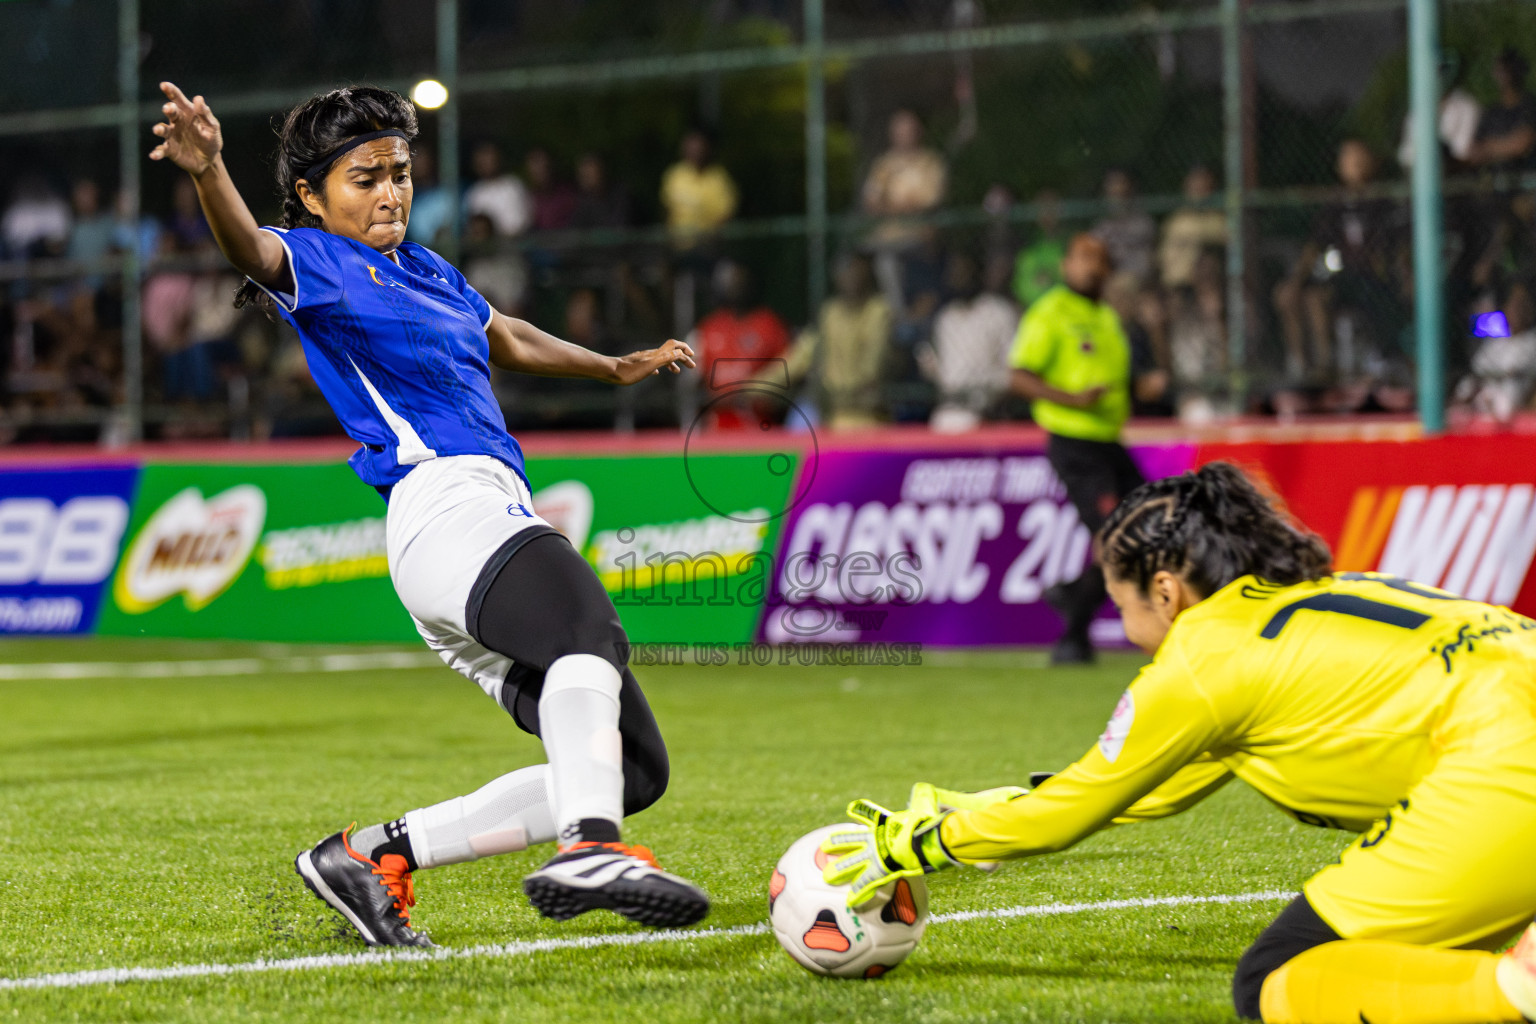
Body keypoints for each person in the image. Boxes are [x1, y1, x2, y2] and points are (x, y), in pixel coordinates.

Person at [148, 80, 706, 947]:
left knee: (629, 764)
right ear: (310, 196)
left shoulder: (428, 269)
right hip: (443, 505)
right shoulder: (317, 260)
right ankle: (591, 848)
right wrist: (210, 169)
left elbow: (505, 335)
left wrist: (612, 368)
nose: (389, 192)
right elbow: (250, 253)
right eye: (365, 177)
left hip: (467, 527)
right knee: (586, 629)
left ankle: (371, 855)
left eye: (399, 172)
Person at [822, 461, 1536, 1024]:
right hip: (1507, 725)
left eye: (1121, 604)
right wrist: (977, 812)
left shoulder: (1198, 660)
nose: (1128, 630)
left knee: (1279, 977)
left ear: (1164, 592)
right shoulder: (1320, 596)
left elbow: (1073, 814)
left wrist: (915, 847)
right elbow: (1140, 791)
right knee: (1410, 968)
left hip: (1506, 769)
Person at [1008, 233, 1141, 664]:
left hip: (1109, 439)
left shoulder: (1105, 316)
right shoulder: (1051, 312)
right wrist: (1072, 400)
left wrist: (1141, 387)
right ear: (1066, 266)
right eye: (1083, 259)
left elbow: (1110, 378)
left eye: (1099, 260)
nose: (1091, 267)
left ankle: (1072, 599)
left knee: (1145, 524)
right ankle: (1073, 632)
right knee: (1115, 535)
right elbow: (1020, 375)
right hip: (1074, 440)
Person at [1272, 140, 1404, 381]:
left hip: (1372, 278)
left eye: (1358, 158)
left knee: (1322, 297)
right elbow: (1315, 245)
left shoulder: (1383, 202)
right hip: (1342, 277)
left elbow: (1394, 250)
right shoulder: (1335, 205)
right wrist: (1296, 280)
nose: (1352, 165)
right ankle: (1304, 367)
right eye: (1347, 159)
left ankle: (1365, 362)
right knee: (1293, 295)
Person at [780, 252, 894, 430]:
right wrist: (752, 386)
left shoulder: (879, 311)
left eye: (856, 268)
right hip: (833, 415)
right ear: (836, 276)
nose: (851, 275)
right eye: (845, 270)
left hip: (869, 416)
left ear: (867, 272)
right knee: (800, 420)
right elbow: (798, 359)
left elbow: (871, 366)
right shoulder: (829, 313)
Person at [861, 109, 948, 314]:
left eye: (909, 130)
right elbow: (870, 202)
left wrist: (890, 207)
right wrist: (901, 208)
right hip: (886, 235)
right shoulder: (884, 165)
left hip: (920, 235)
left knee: (887, 261)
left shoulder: (931, 163)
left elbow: (929, 202)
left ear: (919, 131)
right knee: (854, 256)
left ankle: (899, 317)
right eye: (899, 131)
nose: (904, 135)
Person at [687, 259, 791, 430]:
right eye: (730, 280)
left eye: (740, 279)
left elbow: (787, 379)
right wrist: (716, 398)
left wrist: (752, 395)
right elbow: (690, 386)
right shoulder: (708, 328)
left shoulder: (770, 325)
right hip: (716, 429)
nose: (735, 285)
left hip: (761, 426)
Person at [927, 251, 1018, 433]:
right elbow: (942, 371)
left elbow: (1013, 368)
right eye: (954, 273)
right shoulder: (946, 318)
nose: (958, 277)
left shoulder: (999, 311)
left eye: (964, 271)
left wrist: (986, 394)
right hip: (949, 412)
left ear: (977, 274)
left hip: (988, 412)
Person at [660, 128, 737, 255]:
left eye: (699, 148)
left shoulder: (719, 178)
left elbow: (726, 214)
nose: (696, 152)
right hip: (677, 248)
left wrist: (707, 238)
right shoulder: (674, 175)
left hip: (709, 248)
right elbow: (667, 210)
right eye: (692, 147)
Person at [1157, 165, 1226, 291]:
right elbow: (1162, 256)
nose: (1198, 189)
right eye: (1194, 184)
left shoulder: (1218, 220)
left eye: (1203, 185)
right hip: (1172, 282)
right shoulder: (1177, 219)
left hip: (1200, 283)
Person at [464, 140, 532, 239]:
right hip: (484, 251)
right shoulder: (474, 193)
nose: (485, 161)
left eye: (488, 156)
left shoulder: (513, 185)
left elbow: (522, 223)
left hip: (513, 248)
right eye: (481, 157)